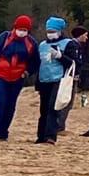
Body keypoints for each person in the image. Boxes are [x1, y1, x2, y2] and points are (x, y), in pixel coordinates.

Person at [0, 15, 38, 141]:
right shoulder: (4, 38)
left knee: (10, 105)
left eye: (25, 30)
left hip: (17, 78)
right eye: (20, 29)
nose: (22, 32)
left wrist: (27, 73)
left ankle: (3, 131)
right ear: (15, 27)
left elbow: (35, 62)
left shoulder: (31, 43)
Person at [33, 16, 75, 145]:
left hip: (59, 79)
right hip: (44, 80)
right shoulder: (42, 45)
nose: (50, 34)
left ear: (59, 31)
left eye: (53, 31)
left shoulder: (68, 44)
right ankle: (41, 136)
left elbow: (74, 63)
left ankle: (51, 136)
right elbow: (38, 63)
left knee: (53, 108)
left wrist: (60, 57)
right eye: (48, 31)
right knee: (44, 109)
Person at [56, 26, 89, 135]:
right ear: (80, 35)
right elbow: (74, 61)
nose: (87, 37)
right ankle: (59, 126)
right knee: (67, 101)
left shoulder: (78, 46)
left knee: (68, 102)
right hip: (69, 78)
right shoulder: (73, 45)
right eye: (85, 35)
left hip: (73, 77)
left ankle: (60, 125)